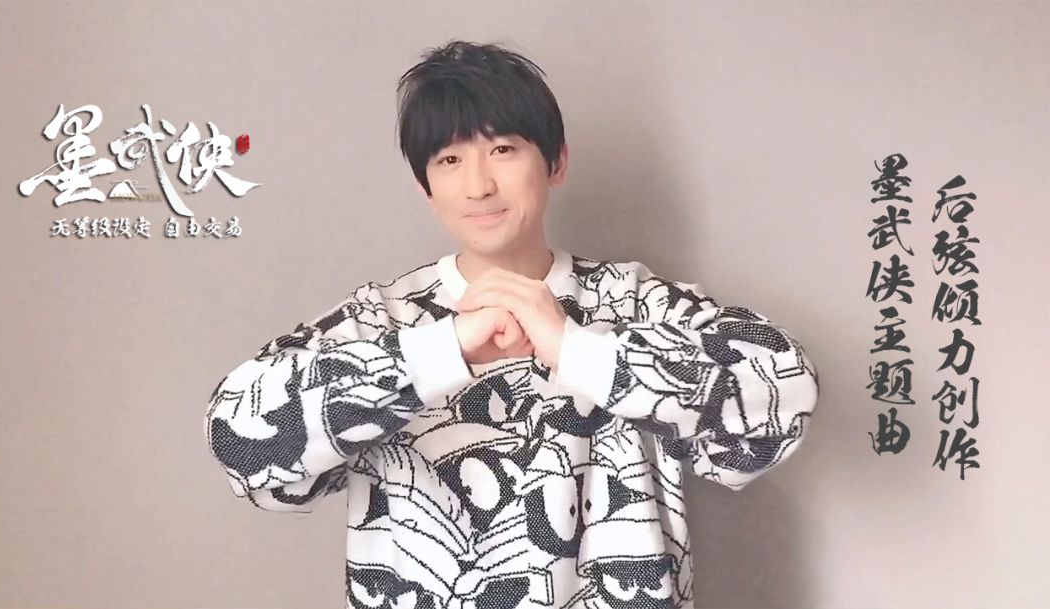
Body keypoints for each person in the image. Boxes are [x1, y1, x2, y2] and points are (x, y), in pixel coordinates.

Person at [204, 39, 820, 609]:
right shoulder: (381, 319)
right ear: (425, 186)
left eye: (503, 149)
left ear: (555, 162)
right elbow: (239, 442)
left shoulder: (633, 301)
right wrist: (442, 352)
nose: (478, 185)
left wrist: (574, 347)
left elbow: (780, 401)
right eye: (449, 159)